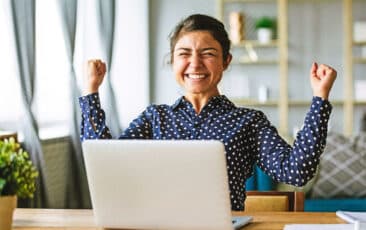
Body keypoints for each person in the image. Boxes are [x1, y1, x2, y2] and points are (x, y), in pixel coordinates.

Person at [79, 14, 337, 211]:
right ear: (173, 60)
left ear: (226, 61)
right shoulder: (154, 118)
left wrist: (320, 98)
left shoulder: (249, 121)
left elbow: (297, 171)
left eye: (208, 53)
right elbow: (107, 165)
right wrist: (91, 91)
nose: (195, 63)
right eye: (184, 54)